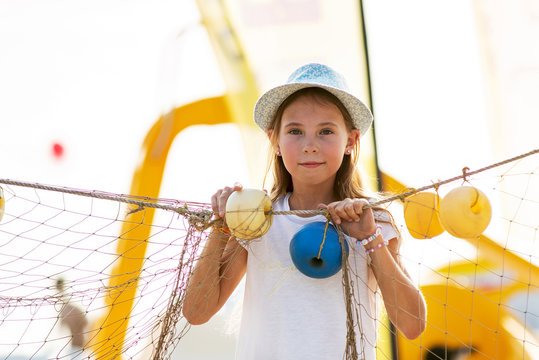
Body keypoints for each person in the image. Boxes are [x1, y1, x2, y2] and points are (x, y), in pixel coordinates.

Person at [182, 63, 426, 359]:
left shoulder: (375, 220)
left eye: (325, 131)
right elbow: (196, 312)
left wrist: (369, 238)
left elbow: (413, 325)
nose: (310, 145)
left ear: (351, 141)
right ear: (275, 141)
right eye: (295, 131)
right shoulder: (256, 220)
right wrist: (222, 226)